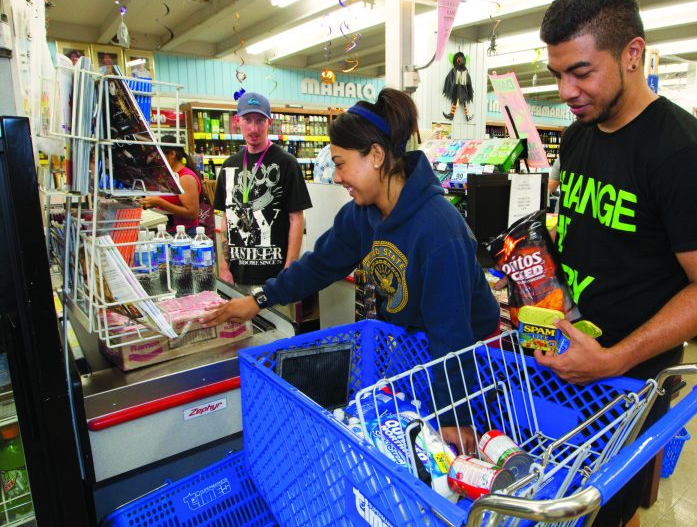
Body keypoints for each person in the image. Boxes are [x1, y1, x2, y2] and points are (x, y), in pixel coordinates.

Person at [536, 0, 697, 527]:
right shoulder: (580, 133)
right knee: (556, 492)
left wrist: (616, 358)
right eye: (558, 74)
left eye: (581, 71)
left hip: (631, 380)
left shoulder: (683, 155)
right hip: (566, 354)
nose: (566, 90)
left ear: (633, 55)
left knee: (607, 506)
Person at [204, 88, 500, 450]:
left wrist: (455, 416)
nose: (337, 176)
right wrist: (258, 300)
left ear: (375, 156)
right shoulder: (362, 214)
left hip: (466, 372)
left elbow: (452, 335)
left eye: (341, 163)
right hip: (413, 353)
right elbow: (318, 265)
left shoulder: (439, 230)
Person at [213, 92, 312, 287]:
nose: (253, 128)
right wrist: (224, 267)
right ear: (237, 121)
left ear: (269, 122)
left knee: (275, 320)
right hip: (237, 274)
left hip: (275, 278)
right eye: (247, 120)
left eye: (260, 120)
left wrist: (289, 267)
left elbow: (296, 218)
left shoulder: (286, 163)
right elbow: (227, 218)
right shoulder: (229, 165)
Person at [139, 136, 201, 235]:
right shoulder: (168, 175)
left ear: (172, 154)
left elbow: (192, 213)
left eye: (159, 156)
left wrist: (160, 202)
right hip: (167, 232)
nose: (157, 160)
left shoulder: (185, 178)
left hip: (184, 234)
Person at [442, 51, 474, 121]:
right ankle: (464, 116)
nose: (460, 62)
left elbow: (468, 81)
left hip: (463, 89)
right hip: (459, 89)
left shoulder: (465, 71)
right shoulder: (456, 70)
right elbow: (450, 78)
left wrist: (468, 88)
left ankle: (453, 115)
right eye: (459, 60)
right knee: (459, 101)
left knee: (460, 101)